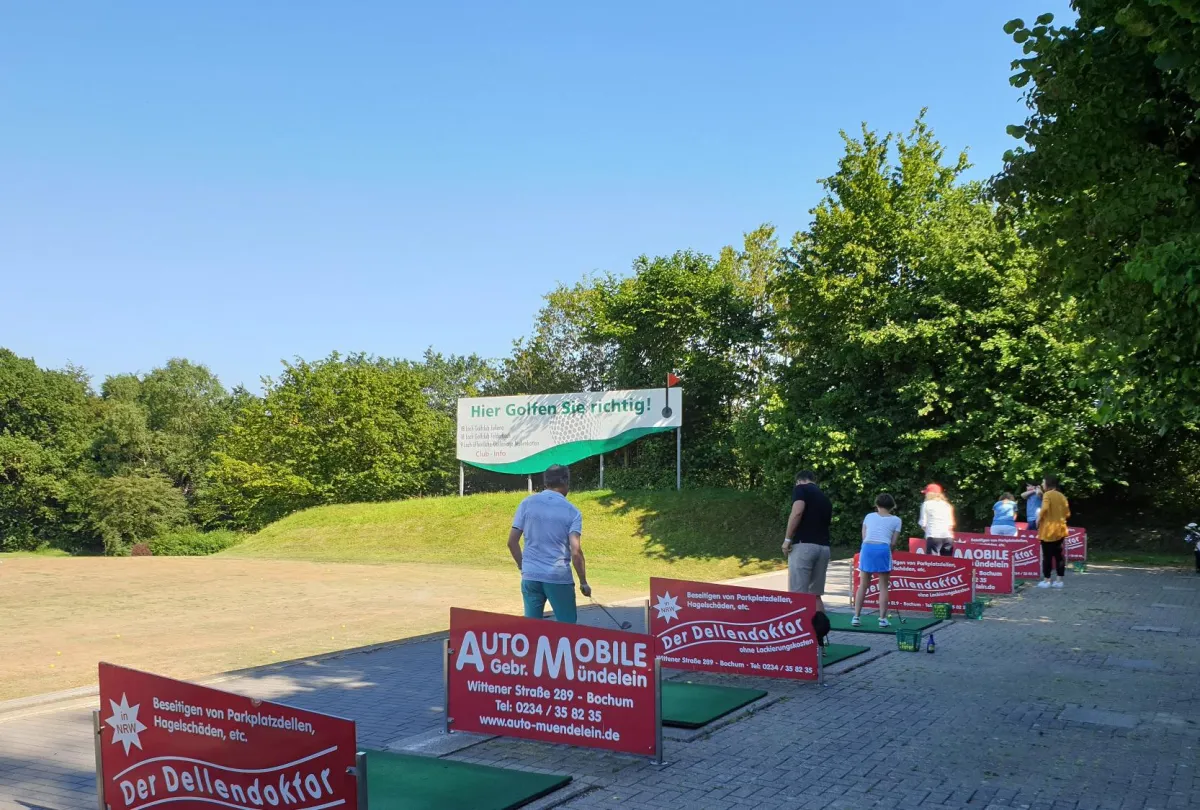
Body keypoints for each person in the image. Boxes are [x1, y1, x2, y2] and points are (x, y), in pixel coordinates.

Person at [507, 464, 590, 622]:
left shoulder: (527, 503)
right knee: (567, 629)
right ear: (566, 482)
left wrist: (523, 567)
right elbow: (576, 551)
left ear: (546, 482)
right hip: (558, 577)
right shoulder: (572, 511)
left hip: (531, 575)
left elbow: (512, 542)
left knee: (532, 629)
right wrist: (583, 582)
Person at [783, 470, 833, 612]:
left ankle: (799, 625)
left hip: (804, 545)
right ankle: (820, 625)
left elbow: (797, 512)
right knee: (815, 595)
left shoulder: (801, 489)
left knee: (798, 594)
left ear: (799, 481)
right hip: (823, 548)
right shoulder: (825, 497)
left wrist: (787, 539)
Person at [852, 493, 902, 627]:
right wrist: (888, 553)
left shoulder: (869, 516)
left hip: (867, 548)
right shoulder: (897, 520)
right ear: (892, 506)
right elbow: (893, 543)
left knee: (863, 584)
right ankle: (882, 619)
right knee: (883, 586)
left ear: (877, 505)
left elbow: (864, 537)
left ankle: (856, 617)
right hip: (883, 548)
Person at [1036, 475, 1071, 589]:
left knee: (1047, 556)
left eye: (1043, 482)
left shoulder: (1047, 494)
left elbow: (1045, 508)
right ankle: (1059, 581)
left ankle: (1047, 581)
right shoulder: (1062, 496)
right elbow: (1068, 514)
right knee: (1058, 556)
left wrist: (1038, 518)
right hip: (1060, 530)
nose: (1042, 484)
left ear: (1048, 484)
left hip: (1048, 531)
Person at [918, 483, 956, 555]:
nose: (925, 495)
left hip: (933, 535)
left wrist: (927, 531)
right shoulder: (947, 505)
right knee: (947, 561)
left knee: (932, 561)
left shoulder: (926, 504)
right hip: (948, 537)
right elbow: (951, 524)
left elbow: (923, 523)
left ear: (929, 494)